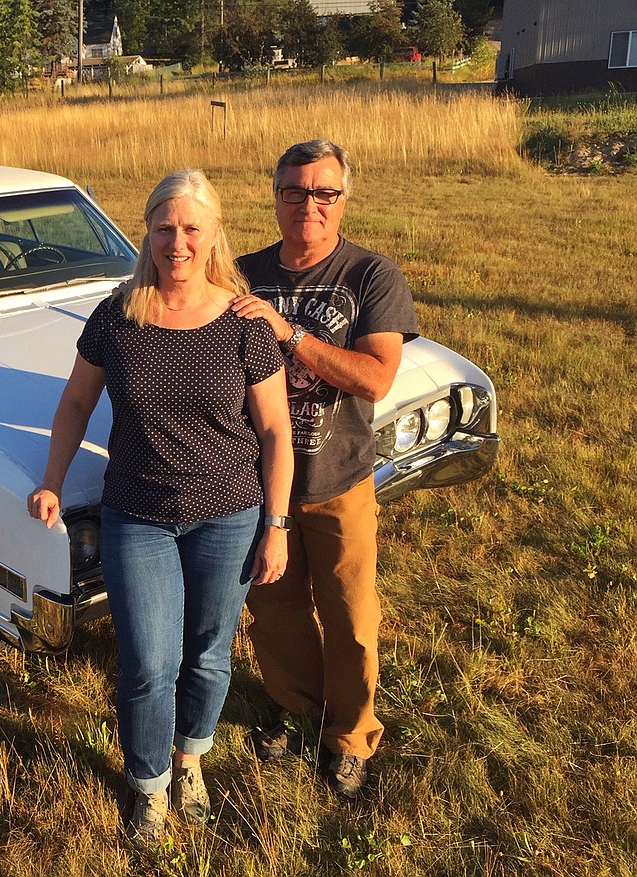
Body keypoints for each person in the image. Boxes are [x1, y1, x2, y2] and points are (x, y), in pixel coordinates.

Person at [28, 169, 293, 849]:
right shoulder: (118, 316)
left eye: (191, 229)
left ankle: (190, 762)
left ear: (213, 238)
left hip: (229, 512)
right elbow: (75, 404)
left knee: (206, 652)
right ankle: (148, 785)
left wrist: (277, 524)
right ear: (147, 232)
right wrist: (52, 478)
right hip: (138, 513)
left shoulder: (243, 323)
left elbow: (274, 432)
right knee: (149, 660)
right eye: (165, 227)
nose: (177, 241)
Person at [231, 139, 419, 798]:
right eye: (294, 191)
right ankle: (299, 710)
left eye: (324, 193)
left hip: (338, 478)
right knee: (276, 613)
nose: (308, 205)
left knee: (351, 616)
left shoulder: (370, 276)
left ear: (343, 200)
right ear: (275, 195)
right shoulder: (241, 274)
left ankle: (351, 735)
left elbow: (373, 379)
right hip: (258, 486)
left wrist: (291, 335)